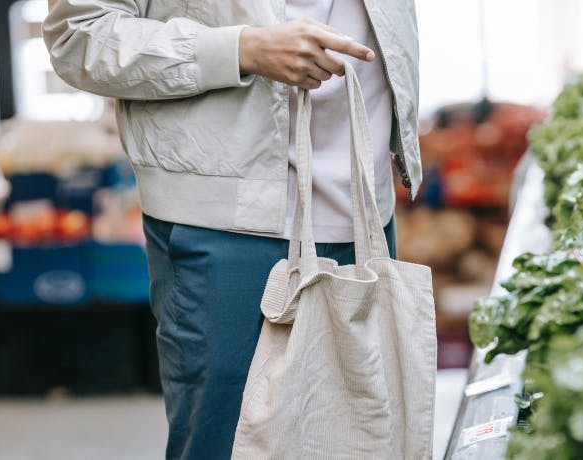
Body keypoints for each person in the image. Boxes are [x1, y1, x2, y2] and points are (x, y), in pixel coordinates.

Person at [43, 1, 421, 458]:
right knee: (225, 445)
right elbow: (79, 35)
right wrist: (239, 49)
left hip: (365, 211)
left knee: (362, 442)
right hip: (224, 223)